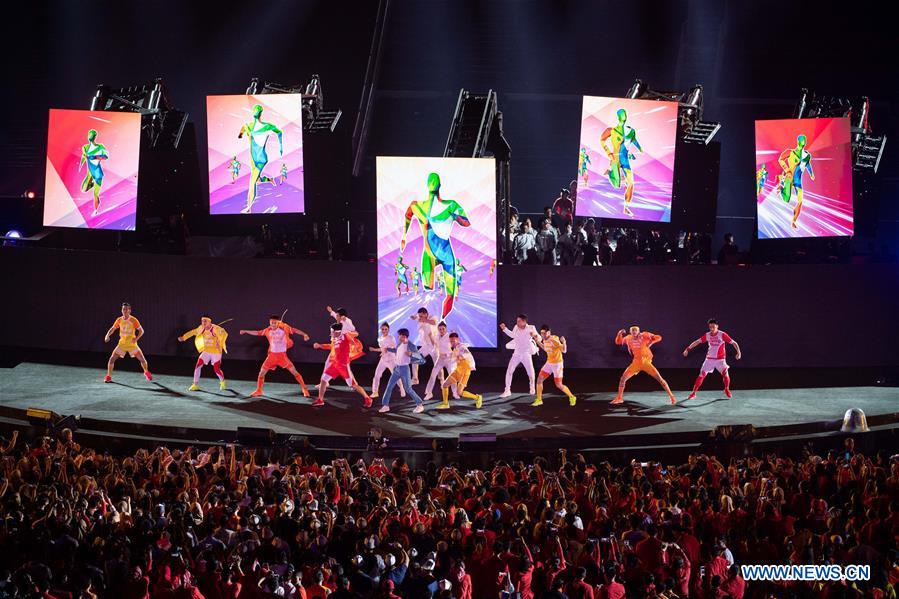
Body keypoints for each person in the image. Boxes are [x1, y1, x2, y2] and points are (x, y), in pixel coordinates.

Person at [400, 172, 472, 318]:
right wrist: (404, 236)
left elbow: (466, 222)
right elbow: (465, 222)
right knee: (432, 289)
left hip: (442, 254)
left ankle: (442, 321)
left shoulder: (442, 205)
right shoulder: (422, 206)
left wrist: (404, 235)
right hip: (433, 255)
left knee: (448, 294)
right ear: (440, 185)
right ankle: (438, 320)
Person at [239, 316, 310, 397]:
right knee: (261, 373)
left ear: (278, 322)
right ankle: (259, 390)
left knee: (294, 372)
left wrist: (304, 334)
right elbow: (257, 332)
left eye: (275, 322)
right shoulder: (268, 330)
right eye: (271, 322)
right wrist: (245, 331)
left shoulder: (284, 328)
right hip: (272, 356)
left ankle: (304, 388)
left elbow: (295, 330)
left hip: (282, 356)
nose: (272, 324)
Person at [313, 323, 372, 408]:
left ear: (336, 331)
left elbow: (352, 341)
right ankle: (320, 400)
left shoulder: (345, 335)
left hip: (344, 366)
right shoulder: (334, 339)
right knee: (323, 380)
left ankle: (367, 398)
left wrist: (355, 347)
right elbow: (331, 347)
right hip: (334, 365)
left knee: (353, 385)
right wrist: (320, 345)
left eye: (331, 331)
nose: (330, 333)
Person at [613, 326, 676, 405]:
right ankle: (619, 398)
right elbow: (618, 342)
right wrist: (619, 334)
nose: (634, 333)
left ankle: (672, 396)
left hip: (646, 363)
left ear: (639, 331)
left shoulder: (645, 335)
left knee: (660, 379)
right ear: (630, 332)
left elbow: (659, 337)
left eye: (635, 331)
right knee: (623, 379)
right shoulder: (628, 338)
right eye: (632, 331)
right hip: (636, 363)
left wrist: (651, 342)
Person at [238, 104, 283, 213]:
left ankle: (248, 208)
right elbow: (242, 130)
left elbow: (279, 132)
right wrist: (240, 134)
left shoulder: (265, 126)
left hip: (261, 159)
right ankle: (269, 179)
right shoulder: (248, 126)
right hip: (253, 159)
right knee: (256, 179)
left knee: (252, 182)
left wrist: (281, 147)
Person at [683, 318, 742, 400]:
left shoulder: (722, 334)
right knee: (701, 375)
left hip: (720, 360)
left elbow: (734, 343)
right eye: (710, 327)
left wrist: (739, 352)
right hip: (709, 359)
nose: (711, 329)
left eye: (713, 327)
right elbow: (697, 341)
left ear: (717, 326)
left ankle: (726, 389)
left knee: (725, 373)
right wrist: (687, 349)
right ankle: (693, 393)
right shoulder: (707, 335)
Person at [600, 108, 643, 216]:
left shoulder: (631, 131)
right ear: (618, 116)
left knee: (631, 183)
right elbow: (601, 140)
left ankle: (626, 207)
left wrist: (640, 149)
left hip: (625, 160)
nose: (624, 116)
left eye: (625, 114)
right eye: (622, 114)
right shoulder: (612, 130)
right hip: (615, 158)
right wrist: (608, 153)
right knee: (617, 184)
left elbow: (634, 140)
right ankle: (610, 172)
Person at [378, 328, 424, 414]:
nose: (398, 337)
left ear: (404, 336)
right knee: (389, 386)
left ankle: (420, 404)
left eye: (400, 336)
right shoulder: (400, 344)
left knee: (408, 389)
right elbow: (396, 350)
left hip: (404, 369)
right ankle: (385, 406)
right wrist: (388, 349)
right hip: (397, 368)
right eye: (399, 336)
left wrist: (412, 354)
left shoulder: (411, 346)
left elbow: (421, 359)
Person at [103, 302, 152, 383]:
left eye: (126, 309)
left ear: (129, 310)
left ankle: (146, 372)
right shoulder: (119, 320)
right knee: (111, 359)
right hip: (122, 344)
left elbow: (141, 331)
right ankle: (108, 376)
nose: (124, 310)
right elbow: (113, 328)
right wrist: (107, 335)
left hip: (132, 345)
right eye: (123, 309)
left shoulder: (133, 320)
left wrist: (136, 339)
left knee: (142, 360)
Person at [177, 315, 229, 391]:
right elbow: (192, 332)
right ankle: (195, 384)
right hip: (206, 351)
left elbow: (224, 334)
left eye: (205, 321)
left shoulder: (216, 329)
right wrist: (184, 337)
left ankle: (222, 382)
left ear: (210, 322)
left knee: (216, 369)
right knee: (198, 365)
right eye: (202, 321)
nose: (203, 322)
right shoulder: (201, 328)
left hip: (216, 352)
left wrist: (220, 341)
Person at [777, 133, 815, 228]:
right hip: (789, 178)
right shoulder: (790, 152)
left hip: (798, 181)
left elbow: (808, 164)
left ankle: (793, 221)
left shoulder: (807, 155)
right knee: (786, 199)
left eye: (805, 140)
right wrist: (786, 170)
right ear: (798, 141)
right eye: (802, 140)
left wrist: (811, 174)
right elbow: (780, 159)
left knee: (800, 201)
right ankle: (781, 187)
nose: (804, 141)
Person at [533, 325, 576, 407]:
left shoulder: (554, 340)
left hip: (557, 365)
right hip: (549, 363)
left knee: (559, 385)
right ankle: (539, 400)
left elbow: (564, 351)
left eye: (544, 333)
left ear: (548, 332)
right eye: (541, 333)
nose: (542, 335)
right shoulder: (544, 340)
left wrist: (564, 342)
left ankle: (572, 397)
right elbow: (545, 348)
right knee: (539, 379)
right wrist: (538, 342)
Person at [437, 332, 482, 409]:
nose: (452, 343)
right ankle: (445, 404)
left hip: (465, 371)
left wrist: (462, 356)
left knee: (459, 392)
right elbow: (453, 355)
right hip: (458, 371)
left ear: (458, 339)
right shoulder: (455, 348)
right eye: (451, 341)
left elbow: (466, 353)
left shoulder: (462, 347)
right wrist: (445, 355)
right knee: (445, 385)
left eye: (453, 341)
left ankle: (477, 398)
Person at [499, 315, 538, 397]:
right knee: (509, 371)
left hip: (526, 354)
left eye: (519, 321)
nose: (517, 322)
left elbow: (539, 338)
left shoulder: (531, 327)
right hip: (516, 353)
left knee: (530, 373)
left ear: (524, 321)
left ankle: (532, 387)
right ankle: (507, 390)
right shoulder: (516, 327)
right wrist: (505, 329)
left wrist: (535, 336)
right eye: (517, 321)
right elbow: (513, 335)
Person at [369, 322, 406, 399]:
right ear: (380, 330)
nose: (384, 330)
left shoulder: (391, 338)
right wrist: (374, 350)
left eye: (386, 329)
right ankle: (375, 392)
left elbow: (395, 349)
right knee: (376, 375)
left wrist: (388, 350)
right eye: (382, 329)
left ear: (388, 330)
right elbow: (382, 349)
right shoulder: (379, 338)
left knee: (396, 376)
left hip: (391, 360)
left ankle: (402, 389)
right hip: (383, 360)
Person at [79, 129, 109, 216]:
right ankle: (93, 184)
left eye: (92, 135)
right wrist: (86, 155)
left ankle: (95, 210)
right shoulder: (85, 147)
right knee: (83, 189)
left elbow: (106, 156)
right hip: (90, 174)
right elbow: (84, 154)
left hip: (98, 174)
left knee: (95, 194)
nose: (90, 136)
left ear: (95, 136)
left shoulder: (100, 147)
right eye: (89, 134)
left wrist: (95, 157)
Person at [424, 322, 453, 401]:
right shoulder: (437, 336)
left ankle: (455, 392)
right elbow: (435, 344)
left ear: (446, 329)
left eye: (443, 329)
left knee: (452, 375)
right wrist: (430, 337)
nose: (441, 330)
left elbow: (455, 345)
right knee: (433, 375)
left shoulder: (450, 336)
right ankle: (429, 393)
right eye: (440, 329)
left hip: (449, 359)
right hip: (440, 359)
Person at [410, 307, 438, 384]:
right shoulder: (420, 319)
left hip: (434, 345)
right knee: (415, 359)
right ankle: (415, 379)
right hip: (425, 346)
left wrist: (421, 319)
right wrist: (415, 317)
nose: (420, 317)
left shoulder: (433, 317)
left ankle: (442, 380)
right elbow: (416, 317)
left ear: (426, 314)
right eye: (420, 316)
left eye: (422, 316)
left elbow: (434, 322)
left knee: (438, 364)